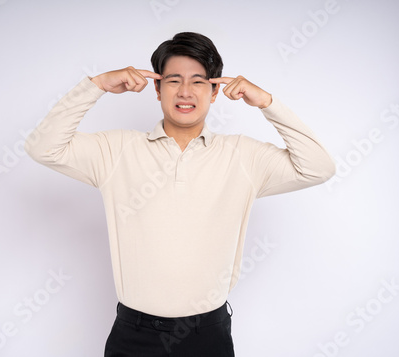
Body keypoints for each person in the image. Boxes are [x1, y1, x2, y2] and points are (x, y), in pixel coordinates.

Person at [25, 32, 336, 357]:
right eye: (174, 80)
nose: (185, 92)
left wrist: (267, 103)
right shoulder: (116, 150)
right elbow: (42, 147)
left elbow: (318, 167)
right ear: (157, 88)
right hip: (135, 336)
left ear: (215, 91)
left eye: (198, 81)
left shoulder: (243, 156)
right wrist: (97, 85)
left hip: (207, 336)